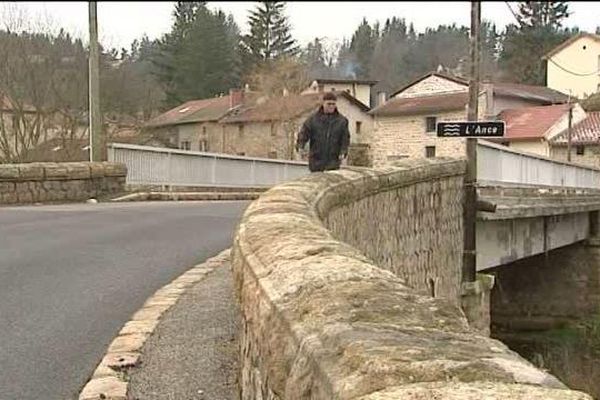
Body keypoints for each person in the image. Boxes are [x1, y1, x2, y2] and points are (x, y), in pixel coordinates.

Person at [295, 92, 350, 172]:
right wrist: (300, 146)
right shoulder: (313, 119)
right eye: (329, 104)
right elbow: (304, 133)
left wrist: (343, 151)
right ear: (323, 103)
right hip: (316, 162)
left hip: (333, 162)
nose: (331, 106)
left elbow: (345, 139)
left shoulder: (342, 121)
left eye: (333, 104)